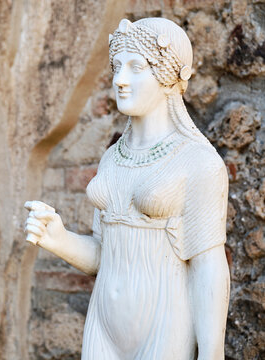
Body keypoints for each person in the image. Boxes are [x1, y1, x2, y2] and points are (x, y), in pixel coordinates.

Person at [24, 18, 230, 360]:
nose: (120, 80)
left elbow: (209, 267)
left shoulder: (199, 161)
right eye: (117, 67)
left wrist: (212, 353)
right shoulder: (112, 159)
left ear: (167, 77)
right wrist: (58, 240)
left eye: (136, 67)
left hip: (164, 322)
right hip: (103, 322)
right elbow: (103, 256)